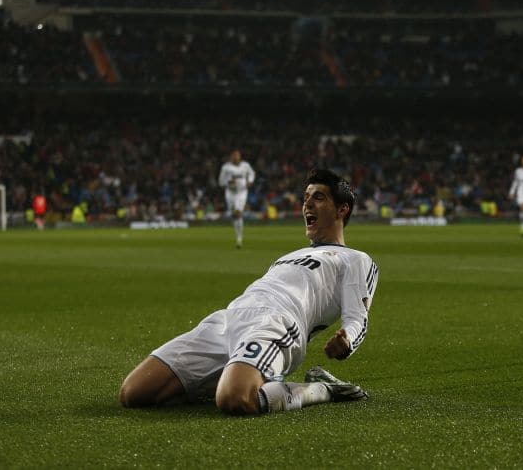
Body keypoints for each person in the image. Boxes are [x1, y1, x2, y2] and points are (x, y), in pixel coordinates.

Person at [119, 169, 379, 415]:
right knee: (134, 393)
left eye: (318, 198)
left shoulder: (355, 259)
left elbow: (358, 319)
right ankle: (241, 374)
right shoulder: (289, 256)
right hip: (228, 318)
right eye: (306, 198)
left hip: (277, 323)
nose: (307, 204)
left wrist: (347, 341)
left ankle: (322, 389)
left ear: (342, 209)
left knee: (236, 399)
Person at [218, 149, 255, 248]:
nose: (235, 157)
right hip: (230, 193)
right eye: (234, 156)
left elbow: (252, 174)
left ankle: (239, 239)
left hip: (241, 192)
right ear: (231, 157)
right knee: (234, 215)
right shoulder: (226, 168)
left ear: (240, 156)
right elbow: (221, 182)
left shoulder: (245, 166)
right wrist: (229, 182)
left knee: (238, 213)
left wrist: (250, 181)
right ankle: (237, 234)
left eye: (237, 155)